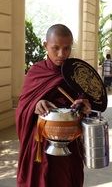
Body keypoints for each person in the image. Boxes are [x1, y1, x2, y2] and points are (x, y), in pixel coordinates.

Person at [16, 24, 91, 187]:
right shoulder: (36, 71)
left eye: (66, 48)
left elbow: (87, 107)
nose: (61, 54)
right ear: (45, 45)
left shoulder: (77, 74)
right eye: (55, 48)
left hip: (69, 142)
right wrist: (36, 104)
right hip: (40, 143)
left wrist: (84, 108)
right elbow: (23, 106)